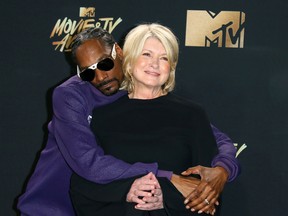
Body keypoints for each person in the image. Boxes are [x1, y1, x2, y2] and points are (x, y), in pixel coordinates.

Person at [17, 26, 239, 216]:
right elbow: (89, 163)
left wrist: (223, 169)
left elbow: (215, 137)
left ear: (120, 53)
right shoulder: (70, 95)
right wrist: (169, 178)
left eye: (104, 64)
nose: (100, 77)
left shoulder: (133, 91)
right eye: (87, 73)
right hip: (51, 206)